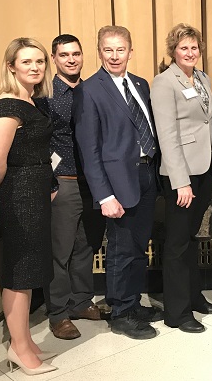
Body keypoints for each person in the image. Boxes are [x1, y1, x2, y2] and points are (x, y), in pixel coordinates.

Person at [74, 25, 163, 339]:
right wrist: (104, 195)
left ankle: (133, 301)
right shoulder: (90, 89)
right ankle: (121, 313)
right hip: (116, 183)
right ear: (99, 52)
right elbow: (89, 149)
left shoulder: (140, 83)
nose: (114, 56)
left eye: (120, 49)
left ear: (130, 51)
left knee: (138, 247)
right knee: (121, 250)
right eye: (108, 50)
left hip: (147, 175)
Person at [150, 23, 212, 333]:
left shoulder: (203, 77)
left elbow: (208, 125)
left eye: (194, 47)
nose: (190, 52)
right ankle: (177, 312)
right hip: (181, 175)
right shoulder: (164, 83)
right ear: (173, 52)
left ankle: (194, 297)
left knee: (191, 238)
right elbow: (167, 135)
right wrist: (181, 181)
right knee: (177, 243)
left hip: (204, 169)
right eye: (184, 48)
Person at [38, 34, 108, 341]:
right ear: (54, 58)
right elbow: (37, 141)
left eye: (76, 53)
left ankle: (81, 301)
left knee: (85, 247)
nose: (71, 59)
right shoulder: (46, 94)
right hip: (63, 181)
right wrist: (50, 182)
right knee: (60, 252)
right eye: (64, 54)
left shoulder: (91, 89)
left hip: (93, 183)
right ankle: (58, 313)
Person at [0, 37, 58, 375]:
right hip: (17, 196)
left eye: (39, 62)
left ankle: (26, 342)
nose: (35, 67)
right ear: (11, 66)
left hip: (33, 194)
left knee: (29, 269)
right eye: (26, 62)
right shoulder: (8, 104)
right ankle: (19, 349)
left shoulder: (31, 101)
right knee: (19, 273)